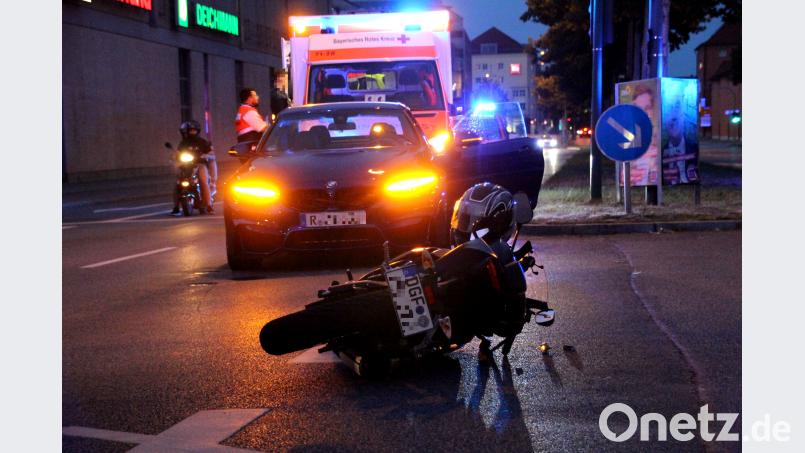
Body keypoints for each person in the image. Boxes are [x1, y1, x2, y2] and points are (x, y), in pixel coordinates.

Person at [171, 120, 216, 215]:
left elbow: (211, 153)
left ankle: (209, 205)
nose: (192, 132)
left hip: (199, 164)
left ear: (197, 131)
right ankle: (175, 207)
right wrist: (175, 156)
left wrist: (205, 155)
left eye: (194, 130)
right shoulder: (183, 143)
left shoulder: (203, 142)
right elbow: (178, 153)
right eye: (190, 130)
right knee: (177, 183)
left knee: (203, 181)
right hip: (186, 165)